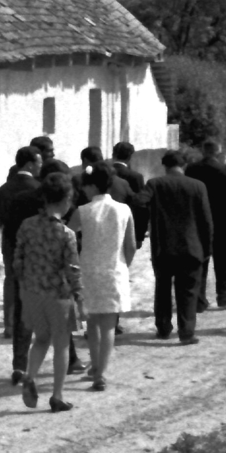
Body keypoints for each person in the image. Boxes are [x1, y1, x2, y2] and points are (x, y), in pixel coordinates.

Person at [13, 174, 84, 412]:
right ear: (65, 199)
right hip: (58, 295)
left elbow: (17, 262)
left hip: (33, 293)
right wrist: (79, 296)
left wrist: (25, 285)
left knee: (41, 339)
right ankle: (57, 395)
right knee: (62, 344)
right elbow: (73, 269)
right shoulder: (66, 234)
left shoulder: (27, 226)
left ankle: (30, 376)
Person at [69, 165, 136, 390]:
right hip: (114, 270)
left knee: (93, 324)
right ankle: (100, 372)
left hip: (88, 271)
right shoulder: (124, 209)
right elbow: (131, 245)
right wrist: (125, 265)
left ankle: (95, 366)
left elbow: (66, 236)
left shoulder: (83, 210)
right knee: (108, 325)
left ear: (92, 185)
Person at [145, 152, 214, 343]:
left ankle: (163, 328)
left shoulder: (154, 184)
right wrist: (207, 248)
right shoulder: (198, 186)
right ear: (184, 165)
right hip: (191, 247)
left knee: (162, 289)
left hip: (163, 247)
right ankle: (186, 332)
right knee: (189, 292)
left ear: (164, 166)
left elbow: (139, 202)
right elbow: (206, 221)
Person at [0, 147, 44, 379]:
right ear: (29, 164)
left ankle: (18, 362)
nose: (40, 166)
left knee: (18, 299)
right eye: (38, 162)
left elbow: (2, 223)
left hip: (12, 249)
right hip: (38, 255)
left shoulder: (4, 189)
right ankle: (70, 359)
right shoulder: (38, 190)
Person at [184, 140, 226, 311]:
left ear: (203, 151)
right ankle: (224, 297)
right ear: (219, 151)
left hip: (198, 221)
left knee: (200, 260)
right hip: (223, 221)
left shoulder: (192, 169)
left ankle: (199, 300)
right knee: (224, 261)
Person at [110, 142, 150, 244]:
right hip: (128, 225)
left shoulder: (105, 173)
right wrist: (139, 234)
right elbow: (140, 205)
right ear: (130, 156)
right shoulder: (136, 177)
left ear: (113, 154)